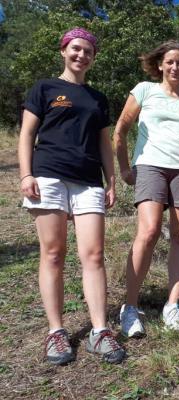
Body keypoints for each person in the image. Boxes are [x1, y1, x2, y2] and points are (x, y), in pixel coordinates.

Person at [18, 27, 125, 365]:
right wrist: (25, 174)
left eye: (88, 51)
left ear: (93, 58)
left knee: (93, 254)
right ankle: (56, 332)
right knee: (53, 253)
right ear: (64, 51)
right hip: (48, 175)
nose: (81, 55)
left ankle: (99, 330)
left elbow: (104, 143)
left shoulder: (97, 98)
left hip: (88, 181)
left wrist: (111, 182)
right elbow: (26, 134)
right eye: (76, 49)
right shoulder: (45, 88)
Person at [113, 41, 179, 336]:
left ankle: (172, 304)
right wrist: (125, 168)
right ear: (160, 65)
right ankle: (130, 307)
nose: (175, 67)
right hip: (150, 164)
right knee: (149, 231)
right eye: (170, 62)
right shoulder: (144, 90)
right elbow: (121, 129)